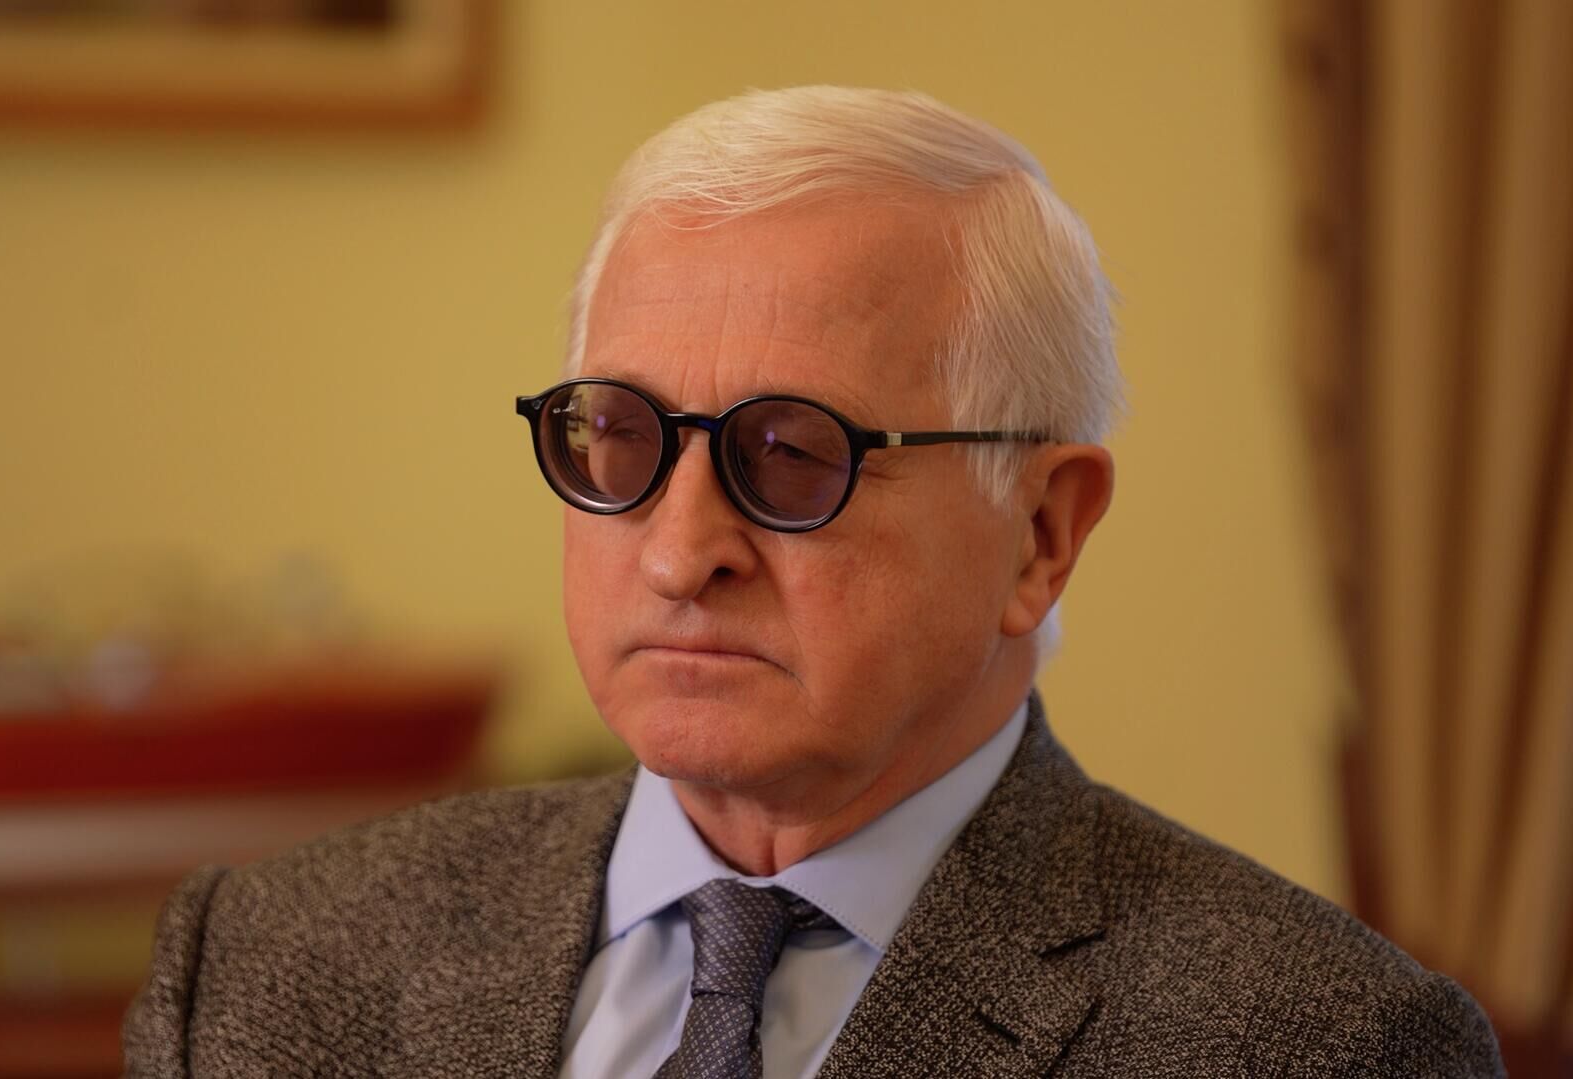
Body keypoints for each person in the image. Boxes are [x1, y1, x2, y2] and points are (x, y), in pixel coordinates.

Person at [123, 86, 1504, 1077]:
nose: (680, 553)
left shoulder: (1322, 1042)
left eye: (792, 456)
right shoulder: (268, 966)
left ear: (1040, 534)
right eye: (621, 439)